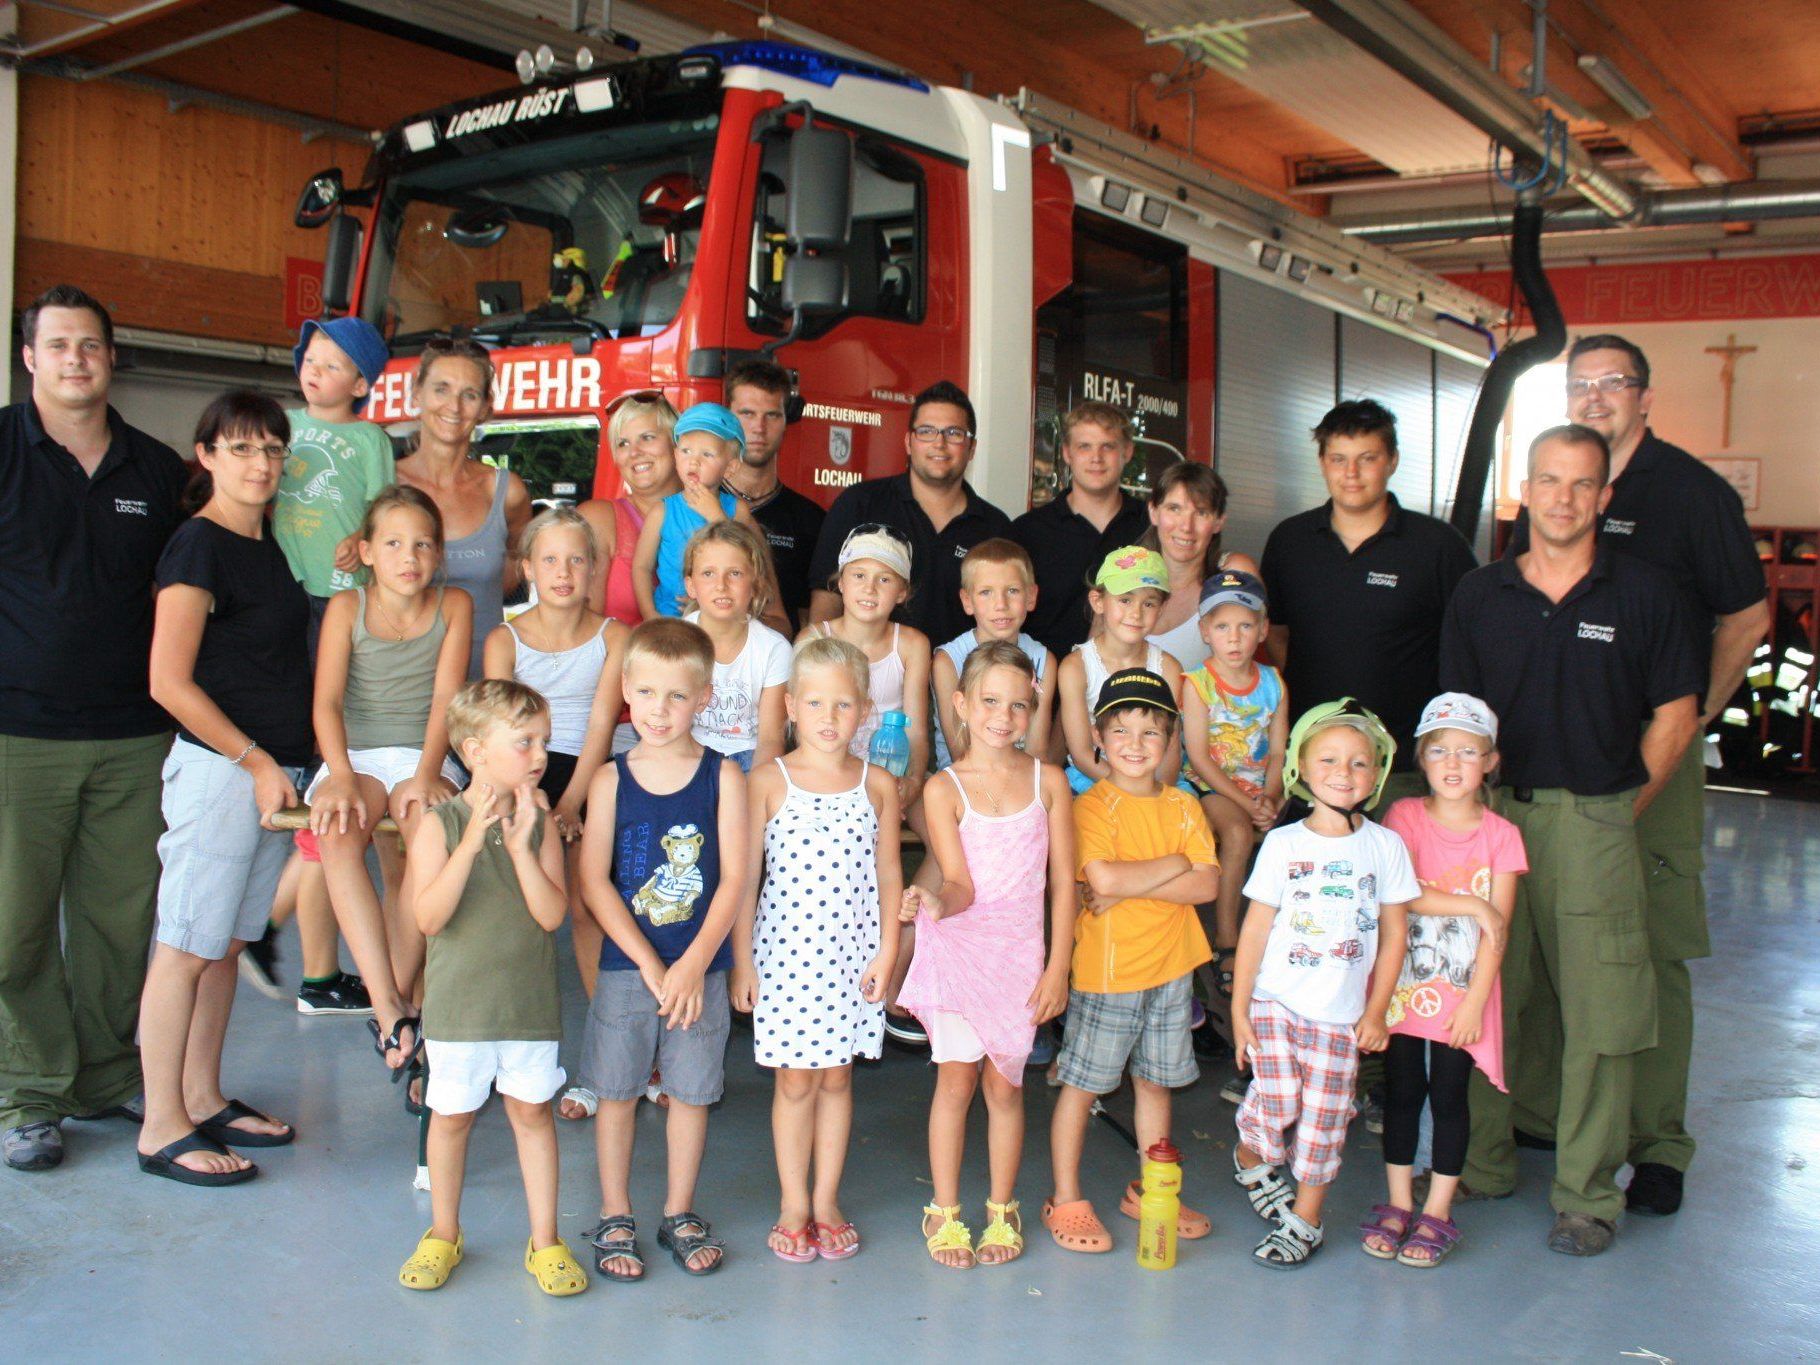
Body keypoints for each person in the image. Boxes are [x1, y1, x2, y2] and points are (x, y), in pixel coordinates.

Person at [1505, 335, 1768, 1216]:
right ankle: (1545, 1114)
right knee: (1540, 943)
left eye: (1614, 383)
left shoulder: (1690, 494)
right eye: (1581, 384)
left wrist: (1686, 722)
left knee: (1644, 952)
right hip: (1552, 764)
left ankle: (1657, 1143)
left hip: (1649, 759)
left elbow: (1746, 615)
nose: (1596, 397)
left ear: (1645, 397)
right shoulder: (1549, 491)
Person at [1440, 423, 1701, 1257]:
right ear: (1527, 488)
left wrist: (1622, 811)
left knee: (1602, 1012)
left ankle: (1587, 1193)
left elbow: (1675, 713)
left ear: (1604, 496)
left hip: (1595, 818)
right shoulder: (1481, 594)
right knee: (1487, 998)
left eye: (1582, 484)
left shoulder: (1646, 594)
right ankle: (1483, 1163)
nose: (1564, 498)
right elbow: (1454, 716)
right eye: (1549, 481)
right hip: (1494, 818)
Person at [1, 286, 187, 1174]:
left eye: (92, 346)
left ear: (112, 360)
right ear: (29, 357)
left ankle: (105, 1075)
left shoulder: (155, 472)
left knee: (119, 921)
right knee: (15, 927)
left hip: (132, 737)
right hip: (18, 735)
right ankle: (31, 1092)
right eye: (60, 345)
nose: (78, 359)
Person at [136, 392, 311, 1186]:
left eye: (272, 449)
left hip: (274, 775)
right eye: (241, 448)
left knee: (225, 946)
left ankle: (201, 1093)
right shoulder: (196, 547)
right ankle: (161, 1124)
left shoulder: (265, 548)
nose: (261, 464)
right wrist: (252, 759)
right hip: (222, 773)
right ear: (205, 455)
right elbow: (169, 681)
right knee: (183, 947)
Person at [397, 680, 587, 1296]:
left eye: (545, 742)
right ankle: (443, 1234)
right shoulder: (440, 823)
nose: (540, 755)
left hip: (527, 1006)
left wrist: (524, 841)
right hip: (459, 1009)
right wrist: (475, 839)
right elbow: (428, 918)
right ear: (475, 751)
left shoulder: (540, 822)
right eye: (525, 741)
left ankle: (546, 1241)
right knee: (449, 1119)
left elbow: (552, 915)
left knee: (532, 1115)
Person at [574, 618, 748, 1280]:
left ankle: (679, 1208)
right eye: (645, 693)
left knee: (691, 1090)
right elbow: (593, 879)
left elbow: (734, 877)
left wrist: (697, 961)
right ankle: (615, 1209)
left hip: (697, 967)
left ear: (704, 697)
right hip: (629, 967)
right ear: (625, 691)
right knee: (616, 1090)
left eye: (676, 695)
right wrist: (650, 963)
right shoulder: (611, 780)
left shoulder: (724, 777)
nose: (659, 709)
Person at [899, 643, 1075, 1269]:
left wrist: (1058, 965)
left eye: (1019, 704)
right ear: (961, 705)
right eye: (990, 701)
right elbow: (958, 882)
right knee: (955, 1082)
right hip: (961, 949)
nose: (1004, 715)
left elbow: (1062, 885)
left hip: (1020, 958)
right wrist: (933, 903)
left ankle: (1003, 1208)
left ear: (1034, 710)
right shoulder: (946, 788)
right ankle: (945, 1211)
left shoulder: (1049, 782)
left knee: (1005, 1089)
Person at [1228, 701, 1417, 1269]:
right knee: (1277, 1102)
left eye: (1360, 763)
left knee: (1323, 1124)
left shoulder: (1384, 847)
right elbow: (1255, 931)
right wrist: (1239, 1010)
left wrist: (1377, 1012)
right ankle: (1250, 1157)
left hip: (1340, 1016)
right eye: (1329, 759)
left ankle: (1305, 1221)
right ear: (1302, 770)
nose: (1344, 772)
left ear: (1377, 774)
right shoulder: (1284, 845)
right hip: (1276, 1004)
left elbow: (1395, 937)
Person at [736, 636, 902, 1263]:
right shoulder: (767, 782)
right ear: (791, 710)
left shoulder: (878, 785)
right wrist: (743, 962)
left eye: (842, 705)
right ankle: (793, 1203)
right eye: (814, 703)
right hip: (786, 961)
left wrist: (887, 953)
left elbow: (889, 877)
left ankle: (827, 1199)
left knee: (837, 1080)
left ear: (864, 711)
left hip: (851, 961)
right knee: (796, 1084)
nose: (828, 718)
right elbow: (745, 882)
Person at [1043, 669, 1219, 1255]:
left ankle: (1152, 1187)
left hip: (1172, 968)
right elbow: (1104, 877)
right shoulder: (1092, 806)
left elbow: (1209, 886)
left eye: (1151, 732)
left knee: (1155, 1083)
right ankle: (1066, 1196)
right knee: (1082, 1085)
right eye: (1121, 730)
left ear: (1170, 740)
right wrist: (1172, 863)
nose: (1135, 744)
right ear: (1098, 736)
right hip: (1109, 972)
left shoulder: (1183, 805)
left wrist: (1132, 886)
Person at [308, 487, 472, 1090]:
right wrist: (341, 774)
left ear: (439, 555)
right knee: (339, 833)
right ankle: (387, 1006)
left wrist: (429, 772)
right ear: (368, 551)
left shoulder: (452, 604)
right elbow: (325, 702)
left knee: (422, 832)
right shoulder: (347, 608)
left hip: (424, 749)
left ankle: (398, 1004)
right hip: (355, 751)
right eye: (395, 543)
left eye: (424, 544)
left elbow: (445, 700)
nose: (411, 556)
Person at [252, 315, 394, 1015]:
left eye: (335, 364)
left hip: (337, 600)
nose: (316, 369)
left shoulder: (369, 439)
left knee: (327, 722)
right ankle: (280, 935)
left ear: (362, 384)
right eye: (312, 356)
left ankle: (276, 930)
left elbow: (381, 511)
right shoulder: (277, 423)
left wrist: (361, 543)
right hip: (280, 591)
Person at [1365, 692, 1525, 1268]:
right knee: (1403, 1094)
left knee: (1452, 1099)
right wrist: (1472, 906)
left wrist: (1475, 1004)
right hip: (1403, 988)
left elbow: (1497, 932)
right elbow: (1397, 895)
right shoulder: (1404, 817)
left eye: (1467, 751)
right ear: (1422, 760)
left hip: (1463, 997)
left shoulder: (1502, 834)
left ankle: (1437, 1211)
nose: (1453, 763)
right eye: (1439, 751)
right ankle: (1398, 1203)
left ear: (1490, 761)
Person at [1260, 399, 1477, 803]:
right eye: (1338, 458)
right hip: (1313, 763)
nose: (1351, 473)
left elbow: (1471, 649)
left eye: (1367, 458)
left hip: (1404, 771)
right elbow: (1276, 633)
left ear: (1392, 460)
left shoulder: (1437, 546)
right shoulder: (1290, 541)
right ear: (1322, 462)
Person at [482, 507, 627, 1015]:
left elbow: (600, 728)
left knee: (587, 905)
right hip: (521, 768)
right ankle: (496, 1023)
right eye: (549, 560)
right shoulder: (505, 639)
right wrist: (532, 800)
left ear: (593, 569)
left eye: (575, 560)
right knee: (512, 902)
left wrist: (569, 804)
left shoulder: (614, 637)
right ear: (527, 569)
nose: (563, 573)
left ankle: (606, 1024)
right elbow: (503, 728)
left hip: (587, 774)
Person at [808, 380, 1011, 646]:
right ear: (908, 442)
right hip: (866, 680)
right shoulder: (860, 504)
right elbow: (826, 603)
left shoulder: (996, 529)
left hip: (965, 681)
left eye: (954, 433)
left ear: (971, 448)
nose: (939, 443)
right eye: (927, 431)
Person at [393, 337, 532, 679]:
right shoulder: (384, 485)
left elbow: (517, 565)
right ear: (416, 394)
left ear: (485, 406)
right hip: (401, 688)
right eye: (441, 389)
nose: (454, 407)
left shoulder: (506, 491)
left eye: (469, 394)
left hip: (482, 687)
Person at [1179, 569, 1288, 998]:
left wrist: (1272, 794)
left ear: (1262, 629)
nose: (1235, 637)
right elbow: (1201, 758)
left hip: (1261, 790)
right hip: (1210, 788)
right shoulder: (1198, 684)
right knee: (1240, 834)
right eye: (1222, 626)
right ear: (1205, 631)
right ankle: (1228, 940)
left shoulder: (1274, 682)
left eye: (1245, 625)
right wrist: (1246, 803)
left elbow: (1279, 750)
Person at [1009, 402, 1149, 659]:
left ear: (1127, 452)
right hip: (1044, 687)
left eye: (1108, 446)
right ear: (1066, 453)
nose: (1096, 457)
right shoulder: (1028, 532)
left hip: (1128, 689)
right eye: (1084, 446)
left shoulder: (1150, 525)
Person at [805, 525, 931, 794]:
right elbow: (802, 726)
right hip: (828, 768)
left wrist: (914, 780)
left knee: (933, 816)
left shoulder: (912, 645)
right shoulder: (814, 637)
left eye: (884, 579)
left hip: (892, 770)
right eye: (859, 575)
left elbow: (916, 731)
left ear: (902, 592)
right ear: (841, 582)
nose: (870, 588)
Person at [1055, 547, 1181, 794]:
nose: (1136, 613)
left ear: (1162, 608)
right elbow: (1081, 753)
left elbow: (1171, 749)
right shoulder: (1075, 666)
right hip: (1092, 778)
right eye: (1125, 599)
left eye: (1149, 603)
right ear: (1098, 601)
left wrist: (1156, 794)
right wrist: (1131, 791)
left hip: (1154, 783)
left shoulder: (1169, 669)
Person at [930, 539, 1056, 769]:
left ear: (1031, 596)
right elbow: (960, 749)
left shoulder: (1042, 659)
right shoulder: (948, 661)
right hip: (963, 781)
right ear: (967, 601)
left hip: (1022, 778)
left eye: (1012, 591)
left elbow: (1036, 750)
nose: (1001, 604)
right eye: (986, 592)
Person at [633, 402, 764, 622]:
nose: (694, 460)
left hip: (722, 619)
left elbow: (749, 561)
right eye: (686, 451)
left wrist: (716, 515)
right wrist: (650, 614)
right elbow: (641, 567)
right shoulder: (663, 510)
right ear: (675, 456)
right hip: (670, 619)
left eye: (707, 454)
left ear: (730, 467)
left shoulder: (736, 509)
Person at [682, 522, 791, 774]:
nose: (721, 585)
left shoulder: (774, 649)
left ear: (755, 585)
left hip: (750, 756)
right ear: (690, 585)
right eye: (708, 573)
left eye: (735, 573)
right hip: (688, 751)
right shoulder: (676, 640)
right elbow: (669, 723)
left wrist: (756, 792)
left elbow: (771, 740)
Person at [724, 359, 825, 632]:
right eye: (747, 413)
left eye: (772, 415)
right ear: (728, 418)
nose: (759, 427)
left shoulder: (811, 521)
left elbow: (810, 621)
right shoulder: (694, 503)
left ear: (786, 421)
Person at [1141, 462, 1259, 675]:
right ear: (1153, 512)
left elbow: (1245, 677)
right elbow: (1091, 662)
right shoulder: (1124, 576)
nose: (1186, 526)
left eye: (1201, 512)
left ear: (1219, 522)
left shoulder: (1232, 574)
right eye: (1174, 508)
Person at [579, 392, 681, 632]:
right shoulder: (599, 519)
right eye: (622, 443)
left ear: (678, 443)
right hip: (618, 667)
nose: (634, 452)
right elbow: (581, 631)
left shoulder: (717, 513)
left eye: (647, 437)